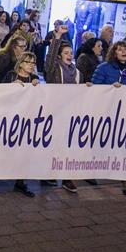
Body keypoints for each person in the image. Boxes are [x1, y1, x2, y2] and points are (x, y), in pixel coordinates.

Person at [91, 41, 126, 195]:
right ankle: (90, 171)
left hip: (125, 113)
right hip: (105, 113)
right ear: (114, 53)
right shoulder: (104, 68)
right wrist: (110, 89)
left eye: (125, 49)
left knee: (125, 146)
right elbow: (94, 89)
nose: (123, 52)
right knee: (100, 144)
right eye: (119, 50)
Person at [43, 25, 83, 193]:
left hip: (71, 113)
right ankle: (49, 173)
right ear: (60, 55)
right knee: (53, 144)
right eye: (66, 53)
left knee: (68, 145)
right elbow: (50, 57)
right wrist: (58, 36)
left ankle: (67, 178)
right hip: (55, 111)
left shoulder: (77, 72)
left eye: (71, 53)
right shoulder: (54, 68)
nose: (69, 55)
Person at [1, 53, 38, 198]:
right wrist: (10, 87)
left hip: (26, 119)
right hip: (10, 117)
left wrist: (37, 87)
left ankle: (20, 181)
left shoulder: (34, 79)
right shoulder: (10, 75)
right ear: (21, 63)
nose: (31, 65)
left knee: (23, 150)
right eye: (28, 62)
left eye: (33, 63)